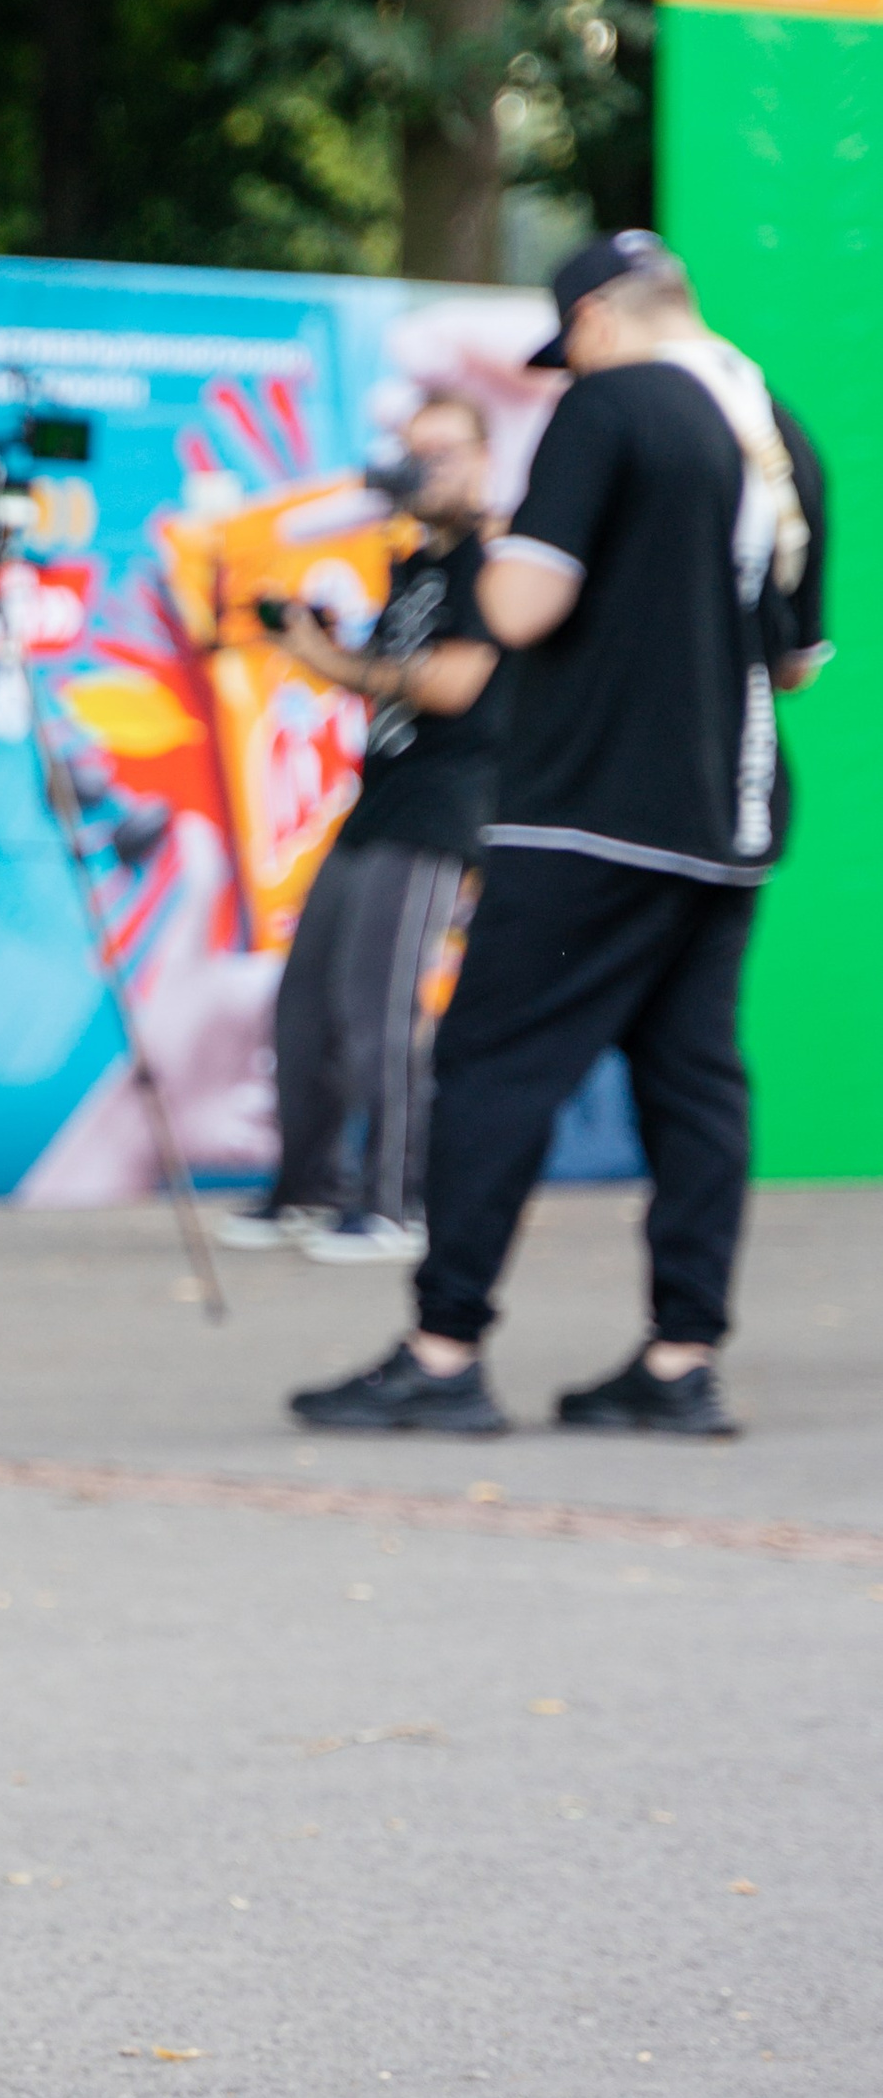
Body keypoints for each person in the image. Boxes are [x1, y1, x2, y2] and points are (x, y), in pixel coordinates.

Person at [292, 229, 828, 1439]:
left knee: (494, 1066)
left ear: (591, 320)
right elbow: (793, 662)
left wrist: (497, 542)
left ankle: (441, 1354)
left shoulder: (609, 404)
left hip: (589, 808)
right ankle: (680, 1361)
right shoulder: (778, 432)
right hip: (730, 813)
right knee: (694, 1082)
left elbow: (524, 605)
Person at [216, 393, 502, 1265]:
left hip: (441, 808)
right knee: (306, 1004)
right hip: (377, 802)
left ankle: (395, 1204)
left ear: (484, 461)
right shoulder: (416, 564)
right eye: (416, 453)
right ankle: (309, 1188)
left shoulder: (492, 564)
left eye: (445, 453)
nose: (425, 470)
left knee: (381, 1008)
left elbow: (453, 684)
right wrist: (315, 648)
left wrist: (335, 660)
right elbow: (389, 675)